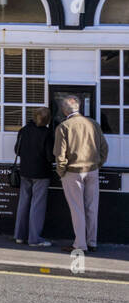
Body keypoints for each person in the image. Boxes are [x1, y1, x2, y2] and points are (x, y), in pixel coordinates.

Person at [53, 95, 108, 253]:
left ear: (64, 110)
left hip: (73, 172)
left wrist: (61, 172)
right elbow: (104, 148)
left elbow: (60, 154)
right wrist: (98, 164)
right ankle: (92, 242)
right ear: (79, 107)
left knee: (77, 209)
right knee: (92, 208)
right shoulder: (93, 124)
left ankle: (80, 245)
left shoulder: (64, 126)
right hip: (92, 170)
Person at [13, 109, 54, 247]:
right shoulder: (47, 134)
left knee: (23, 203)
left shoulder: (23, 130)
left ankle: (19, 236)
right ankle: (34, 239)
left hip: (25, 171)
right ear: (47, 120)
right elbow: (50, 157)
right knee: (37, 206)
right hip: (41, 173)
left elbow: (16, 151)